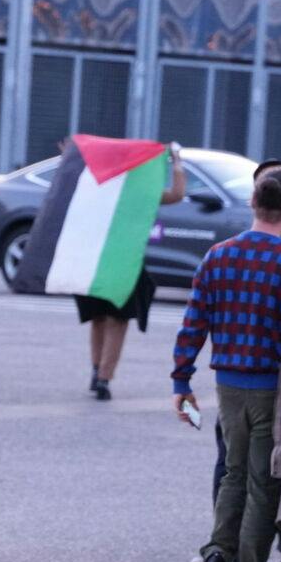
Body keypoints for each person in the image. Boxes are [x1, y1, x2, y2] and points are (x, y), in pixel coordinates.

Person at [172, 168, 281, 562]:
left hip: (227, 385)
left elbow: (194, 324)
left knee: (233, 474)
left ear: (254, 204)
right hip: (272, 386)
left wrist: (181, 380)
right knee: (265, 482)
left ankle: (218, 554)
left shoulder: (218, 256)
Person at [79, 144, 185, 400]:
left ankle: (97, 371)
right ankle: (104, 377)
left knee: (99, 317)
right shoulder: (144, 192)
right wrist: (177, 163)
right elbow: (177, 194)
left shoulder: (101, 187)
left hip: (96, 261)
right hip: (127, 263)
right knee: (118, 320)